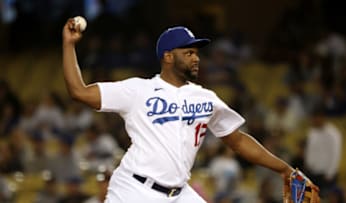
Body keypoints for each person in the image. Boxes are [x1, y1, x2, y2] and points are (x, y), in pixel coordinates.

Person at [62, 18, 299, 202]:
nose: (195, 58)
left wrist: (284, 169)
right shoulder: (138, 90)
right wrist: (69, 44)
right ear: (167, 56)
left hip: (179, 194)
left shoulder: (206, 98)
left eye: (196, 52)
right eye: (188, 52)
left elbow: (237, 141)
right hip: (134, 190)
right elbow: (79, 92)